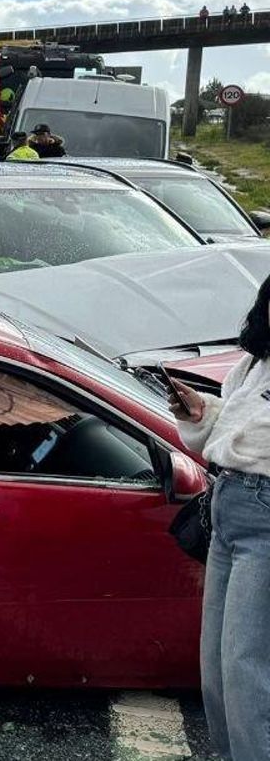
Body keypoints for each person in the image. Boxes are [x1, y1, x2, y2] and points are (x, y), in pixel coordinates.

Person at [172, 273, 270, 761]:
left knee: (247, 669)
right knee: (216, 668)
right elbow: (232, 422)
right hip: (229, 506)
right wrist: (200, 413)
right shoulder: (254, 363)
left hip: (266, 518)